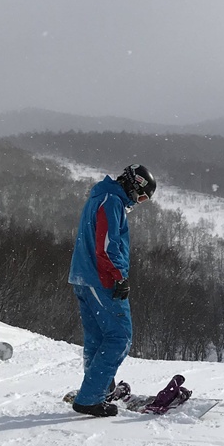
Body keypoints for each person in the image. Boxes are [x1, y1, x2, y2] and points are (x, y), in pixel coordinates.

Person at [68, 163, 156, 417]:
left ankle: (99, 388)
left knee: (97, 338)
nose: (139, 203)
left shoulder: (102, 195)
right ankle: (90, 397)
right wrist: (118, 277)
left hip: (84, 277)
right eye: (141, 196)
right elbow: (107, 245)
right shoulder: (111, 201)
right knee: (120, 338)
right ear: (133, 183)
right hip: (101, 279)